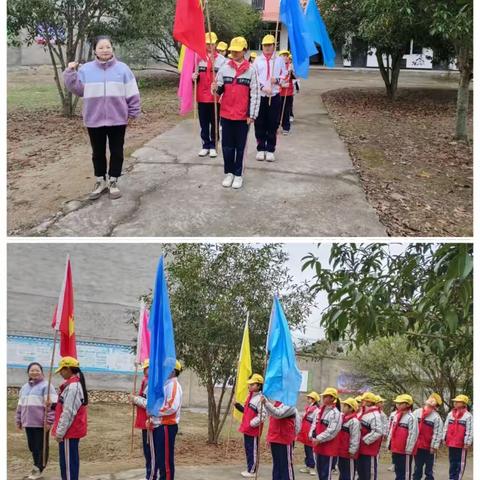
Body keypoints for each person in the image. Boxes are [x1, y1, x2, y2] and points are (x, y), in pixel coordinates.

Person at [63, 35, 141, 200]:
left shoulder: (123, 69)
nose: (105, 50)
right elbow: (77, 90)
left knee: (117, 151)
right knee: (97, 152)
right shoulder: (86, 70)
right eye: (101, 47)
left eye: (108, 47)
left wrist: (134, 110)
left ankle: (113, 181)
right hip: (94, 118)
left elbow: (132, 91)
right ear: (95, 51)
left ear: (112, 49)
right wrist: (70, 73)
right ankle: (100, 181)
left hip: (118, 118)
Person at [212, 36, 260, 189]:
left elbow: (256, 94)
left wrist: (252, 115)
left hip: (242, 116)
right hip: (226, 114)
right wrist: (215, 89)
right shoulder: (225, 68)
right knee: (227, 146)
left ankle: (238, 174)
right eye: (232, 50)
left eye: (237, 51)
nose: (233, 53)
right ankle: (229, 173)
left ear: (244, 51)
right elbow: (219, 89)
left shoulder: (251, 70)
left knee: (240, 147)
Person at [15, 362, 58, 480]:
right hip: (28, 423)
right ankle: (36, 468)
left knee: (40, 447)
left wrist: (49, 421)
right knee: (32, 447)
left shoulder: (47, 386)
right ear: (28, 372)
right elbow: (20, 405)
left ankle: (39, 469)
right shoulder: (24, 387)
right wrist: (18, 420)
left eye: (37, 370)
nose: (34, 372)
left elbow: (53, 406)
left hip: (41, 423)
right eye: (32, 370)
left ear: (42, 372)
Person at [51, 357, 89, 480]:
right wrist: (52, 405)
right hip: (69, 431)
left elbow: (68, 412)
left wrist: (60, 433)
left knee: (68, 465)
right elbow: (64, 406)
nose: (61, 373)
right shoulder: (71, 385)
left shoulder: (73, 387)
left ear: (68, 369)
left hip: (69, 432)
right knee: (69, 462)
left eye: (61, 370)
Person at [146, 360, 183, 480]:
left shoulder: (174, 385)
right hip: (161, 425)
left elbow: (171, 406)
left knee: (165, 460)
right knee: (161, 459)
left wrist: (154, 411)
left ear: (173, 371)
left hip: (167, 426)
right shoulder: (167, 384)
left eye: (166, 368)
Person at [192, 32, 226, 158]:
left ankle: (213, 145)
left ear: (216, 44)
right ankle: (205, 145)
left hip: (215, 97)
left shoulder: (222, 60)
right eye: (207, 43)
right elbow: (192, 75)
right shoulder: (198, 58)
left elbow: (224, 78)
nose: (209, 46)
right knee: (204, 122)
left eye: (211, 43)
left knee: (215, 122)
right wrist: (193, 77)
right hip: (201, 96)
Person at [253, 34, 286, 162]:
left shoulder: (279, 60)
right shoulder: (257, 60)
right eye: (265, 45)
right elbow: (254, 78)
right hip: (261, 96)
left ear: (274, 46)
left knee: (273, 123)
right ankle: (261, 148)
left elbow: (285, 77)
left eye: (269, 45)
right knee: (260, 123)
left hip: (275, 96)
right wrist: (262, 87)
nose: (267, 48)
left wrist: (276, 80)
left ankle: (271, 149)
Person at [234, 374, 266, 478]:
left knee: (253, 450)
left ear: (259, 385)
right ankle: (250, 468)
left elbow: (262, 415)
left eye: (252, 384)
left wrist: (252, 423)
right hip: (247, 429)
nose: (250, 386)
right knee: (248, 449)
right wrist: (237, 406)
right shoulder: (250, 396)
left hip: (253, 430)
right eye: (250, 384)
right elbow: (246, 410)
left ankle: (252, 471)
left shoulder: (261, 399)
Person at [130, 359, 157, 480]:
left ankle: (151, 476)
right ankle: (149, 474)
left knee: (150, 452)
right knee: (148, 452)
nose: (144, 370)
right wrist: (136, 400)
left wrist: (135, 399)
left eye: (146, 368)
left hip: (149, 421)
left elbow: (149, 403)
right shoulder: (146, 381)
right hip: (145, 421)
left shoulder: (150, 382)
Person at [262, 395, 299, 480]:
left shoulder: (290, 404)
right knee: (277, 465)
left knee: (285, 466)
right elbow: (271, 417)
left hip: (284, 440)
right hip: (275, 439)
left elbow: (278, 414)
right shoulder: (277, 404)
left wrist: (266, 403)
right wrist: (269, 438)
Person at [309, 387, 342, 480]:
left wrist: (319, 438)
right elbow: (314, 423)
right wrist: (312, 435)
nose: (323, 398)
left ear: (332, 398)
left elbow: (332, 430)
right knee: (320, 472)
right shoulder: (320, 410)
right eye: (323, 396)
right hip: (319, 446)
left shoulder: (336, 413)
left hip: (328, 448)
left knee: (326, 473)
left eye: (326, 396)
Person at [387, 394, 419, 480]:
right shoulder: (396, 416)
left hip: (405, 450)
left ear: (408, 404)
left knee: (405, 472)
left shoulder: (411, 418)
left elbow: (413, 434)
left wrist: (409, 449)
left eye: (400, 403)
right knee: (398, 470)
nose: (397, 405)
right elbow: (391, 431)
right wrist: (389, 444)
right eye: (397, 403)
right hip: (396, 448)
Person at [412, 393, 443, 480]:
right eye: (430, 399)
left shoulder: (436, 417)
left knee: (429, 469)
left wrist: (434, 446)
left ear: (436, 405)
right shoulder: (416, 412)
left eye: (433, 401)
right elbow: (411, 429)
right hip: (418, 446)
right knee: (417, 466)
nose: (430, 401)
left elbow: (437, 433)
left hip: (429, 447)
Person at [443, 394, 473, 480]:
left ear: (463, 403)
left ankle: (458, 478)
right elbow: (446, 426)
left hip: (461, 444)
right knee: (452, 462)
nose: (455, 403)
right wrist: (444, 438)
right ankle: (451, 478)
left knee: (460, 463)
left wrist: (467, 442)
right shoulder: (450, 414)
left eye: (457, 401)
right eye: (455, 401)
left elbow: (470, 430)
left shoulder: (468, 416)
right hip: (451, 443)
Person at [356, 392, 384, 480]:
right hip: (360, 449)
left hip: (369, 450)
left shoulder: (375, 415)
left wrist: (364, 440)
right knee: (361, 473)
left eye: (363, 401)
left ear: (369, 402)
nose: (362, 402)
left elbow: (378, 431)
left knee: (369, 474)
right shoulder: (363, 412)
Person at [297, 391, 320, 476]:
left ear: (314, 400)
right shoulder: (309, 408)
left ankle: (312, 466)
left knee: (311, 449)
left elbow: (315, 422)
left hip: (310, 431)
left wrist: (311, 432)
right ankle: (307, 465)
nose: (308, 399)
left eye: (310, 398)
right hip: (305, 430)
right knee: (306, 449)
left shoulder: (317, 410)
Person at [337, 398, 360, 480]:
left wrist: (352, 450)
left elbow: (355, 437)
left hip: (349, 453)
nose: (343, 407)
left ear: (351, 408)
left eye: (345, 406)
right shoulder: (342, 418)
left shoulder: (354, 421)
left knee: (349, 474)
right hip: (341, 451)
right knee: (342, 472)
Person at [279, 50, 295, 135]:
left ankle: (286, 127)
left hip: (288, 93)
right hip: (278, 92)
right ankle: (276, 126)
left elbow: (296, 77)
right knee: (277, 111)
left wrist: (292, 71)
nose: (284, 57)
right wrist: (281, 84)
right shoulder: (277, 66)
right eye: (283, 55)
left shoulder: (291, 66)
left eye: (286, 55)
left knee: (287, 111)